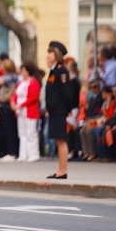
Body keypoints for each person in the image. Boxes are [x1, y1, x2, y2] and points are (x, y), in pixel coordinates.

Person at [44, 41, 73, 179]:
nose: (48, 56)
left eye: (50, 53)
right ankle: (60, 170)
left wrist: (67, 109)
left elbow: (66, 92)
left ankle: (63, 171)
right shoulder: (54, 70)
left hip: (59, 110)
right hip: (55, 110)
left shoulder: (61, 70)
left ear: (56, 54)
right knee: (58, 140)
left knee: (61, 140)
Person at [10, 61, 41, 162]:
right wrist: (13, 103)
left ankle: (33, 154)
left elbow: (33, 97)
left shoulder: (34, 82)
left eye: (23, 70)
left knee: (31, 133)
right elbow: (15, 94)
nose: (21, 72)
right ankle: (23, 154)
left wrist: (20, 105)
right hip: (20, 111)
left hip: (30, 111)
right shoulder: (20, 83)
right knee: (22, 133)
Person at [79, 79, 104, 161]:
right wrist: (87, 118)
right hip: (90, 120)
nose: (93, 89)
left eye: (95, 87)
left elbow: (100, 112)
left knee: (89, 131)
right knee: (82, 131)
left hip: (97, 120)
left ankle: (92, 153)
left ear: (99, 87)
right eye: (91, 88)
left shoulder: (101, 98)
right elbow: (88, 111)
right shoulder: (90, 99)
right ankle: (86, 152)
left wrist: (93, 119)